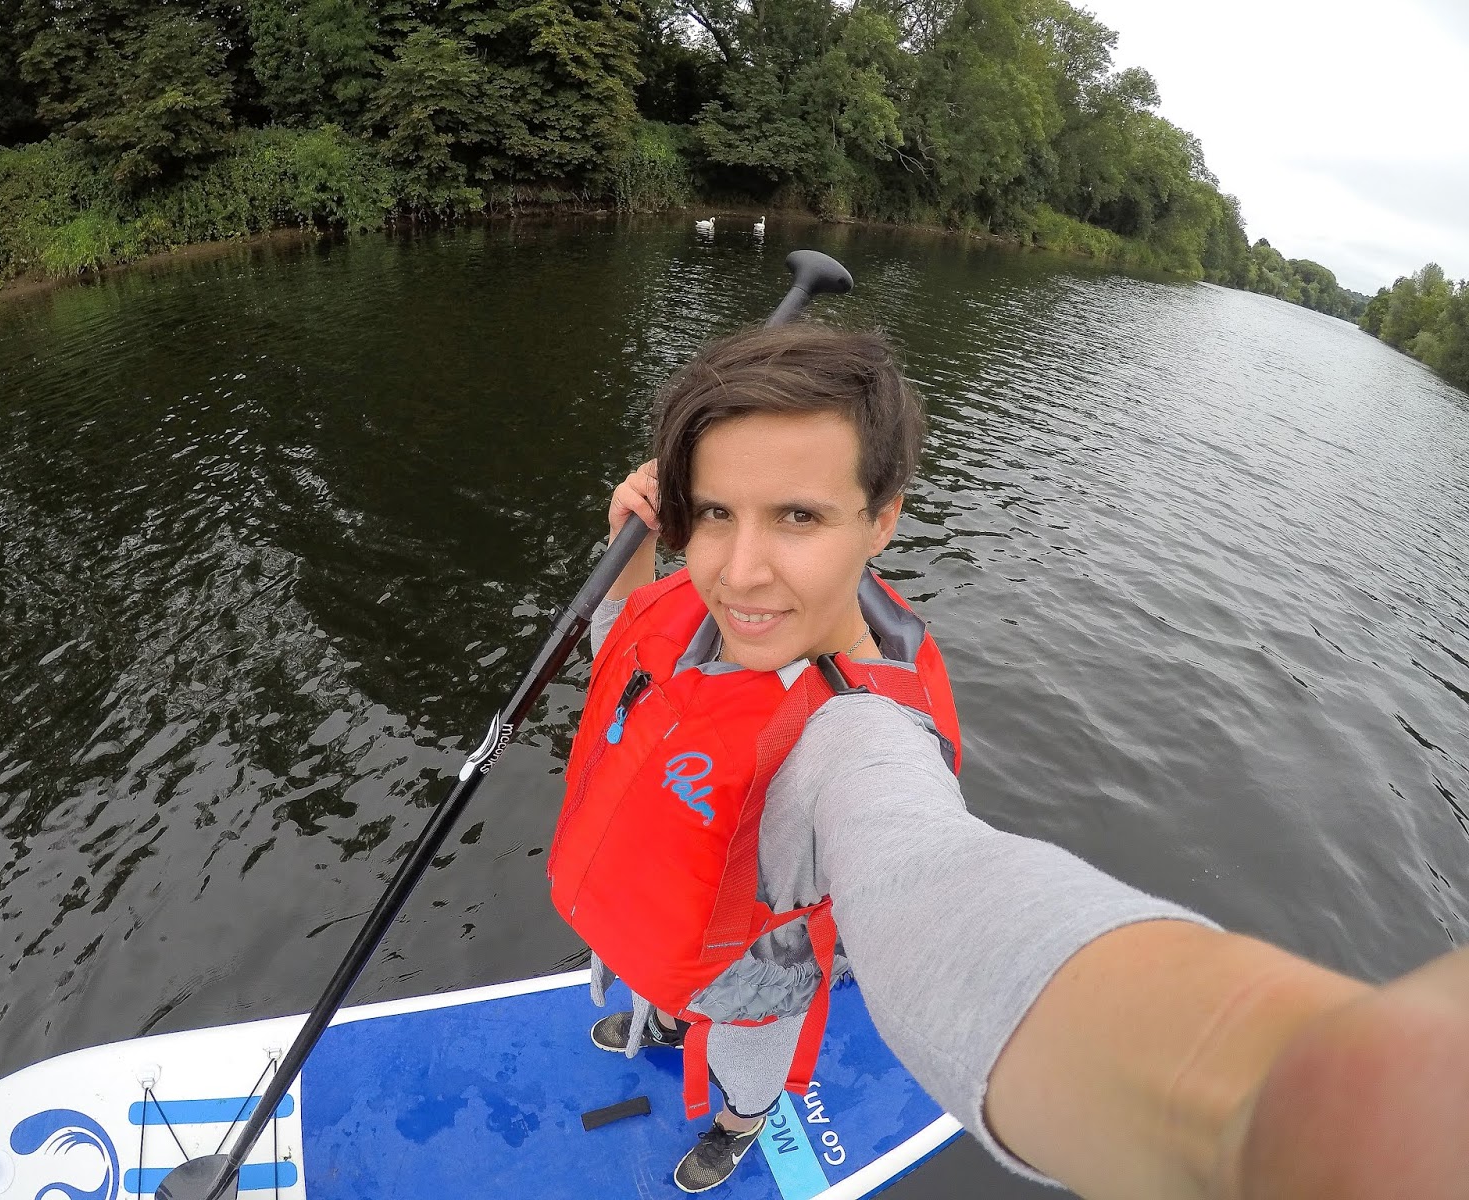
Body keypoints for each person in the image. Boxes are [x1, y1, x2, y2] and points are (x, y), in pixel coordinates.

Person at [545, 322, 1469, 1198]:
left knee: (744, 1050)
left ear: (881, 522)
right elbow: (629, 661)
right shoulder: (686, 602)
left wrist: (1251, 1108)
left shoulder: (854, 737)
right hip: (650, 920)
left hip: (746, 970)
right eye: (714, 510)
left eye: (797, 516)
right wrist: (626, 554)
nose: (741, 572)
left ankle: (741, 1119)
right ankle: (663, 1014)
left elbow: (935, 877)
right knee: (661, 988)